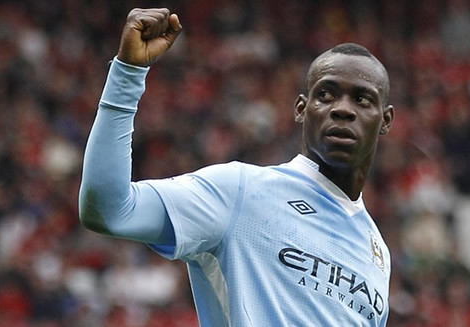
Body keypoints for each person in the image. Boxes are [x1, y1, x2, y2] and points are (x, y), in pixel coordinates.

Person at [79, 7, 395, 326]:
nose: (342, 109)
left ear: (386, 120)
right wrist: (128, 74)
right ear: (301, 109)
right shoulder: (240, 191)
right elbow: (109, 209)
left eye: (362, 99)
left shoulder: (377, 253)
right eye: (326, 95)